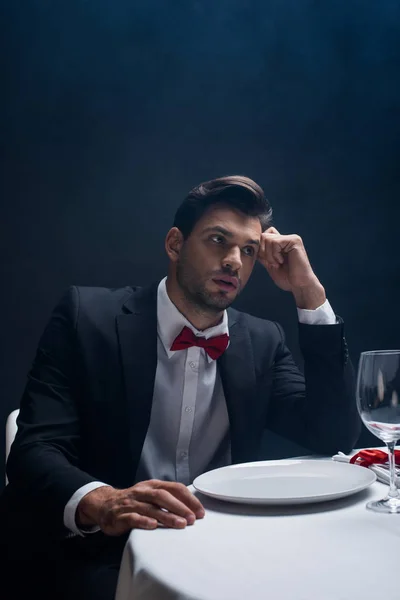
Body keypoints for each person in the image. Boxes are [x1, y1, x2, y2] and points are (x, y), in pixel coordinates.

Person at [0, 175, 360, 599]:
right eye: (217, 240)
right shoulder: (87, 317)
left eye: (248, 250)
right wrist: (104, 502)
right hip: (100, 554)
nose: (234, 261)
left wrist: (309, 294)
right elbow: (33, 452)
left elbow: (333, 434)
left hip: (225, 551)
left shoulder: (262, 341)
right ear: (175, 244)